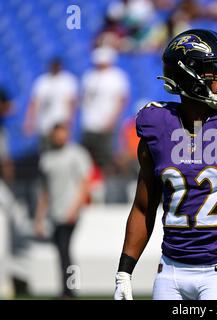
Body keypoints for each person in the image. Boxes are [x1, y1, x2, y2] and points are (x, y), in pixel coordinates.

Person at [114, 29, 217, 300]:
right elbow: (143, 207)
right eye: (216, 71)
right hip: (170, 271)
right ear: (187, 75)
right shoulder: (156, 124)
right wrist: (124, 273)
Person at [34, 122, 93, 299]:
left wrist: (75, 209)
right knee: (61, 252)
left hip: (69, 212)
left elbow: (85, 184)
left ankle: (70, 290)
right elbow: (45, 191)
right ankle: (67, 290)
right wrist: (39, 218)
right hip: (54, 213)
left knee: (64, 250)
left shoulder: (76, 154)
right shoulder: (47, 157)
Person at [81, 46, 129, 174]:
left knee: (108, 155)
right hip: (90, 123)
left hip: (107, 123)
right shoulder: (89, 76)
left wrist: (113, 119)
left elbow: (122, 100)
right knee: (88, 156)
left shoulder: (117, 76)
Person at [23, 58, 78, 149]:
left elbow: (72, 103)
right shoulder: (42, 81)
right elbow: (34, 102)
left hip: (60, 123)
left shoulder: (67, 81)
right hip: (44, 124)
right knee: (45, 151)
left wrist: (70, 121)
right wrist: (30, 121)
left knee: (62, 151)